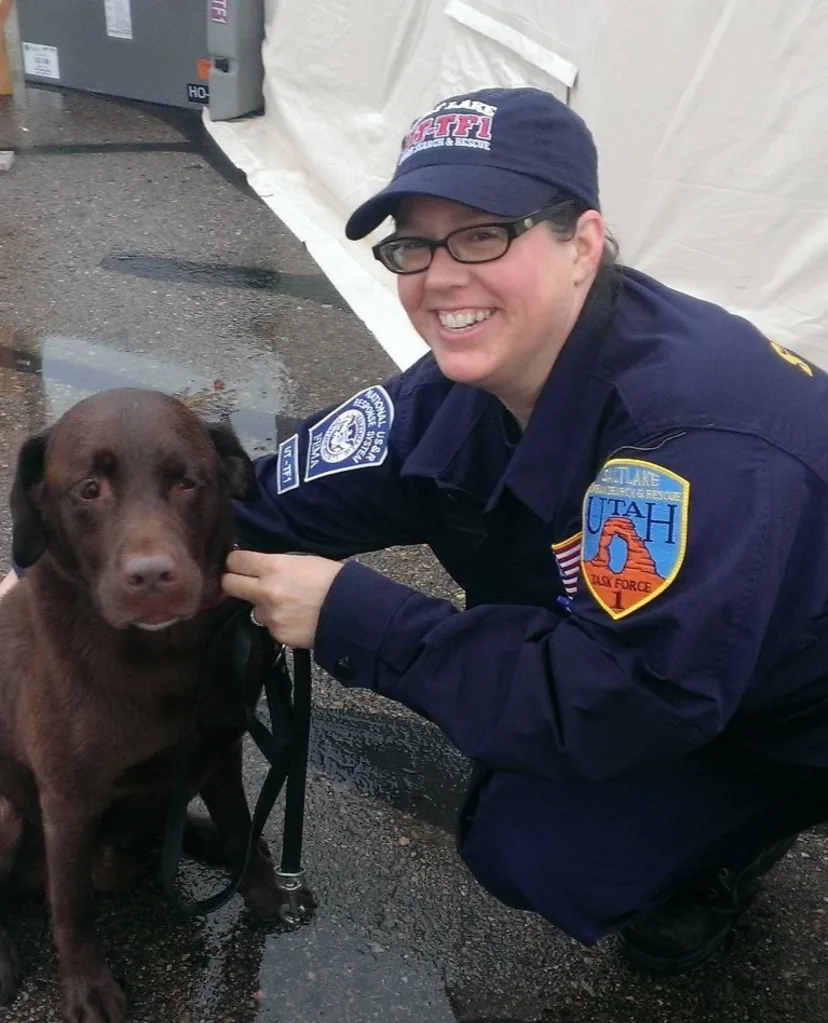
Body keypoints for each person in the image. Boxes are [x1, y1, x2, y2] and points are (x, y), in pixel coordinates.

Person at [6, 86, 828, 975]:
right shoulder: (456, 386)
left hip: (785, 710)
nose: (440, 277)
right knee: (521, 794)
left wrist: (355, 615)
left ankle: (735, 840)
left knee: (537, 845)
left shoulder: (689, 449)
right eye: (413, 245)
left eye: (483, 235)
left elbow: (618, 701)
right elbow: (255, 500)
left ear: (583, 244)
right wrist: (49, 572)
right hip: (655, 664)